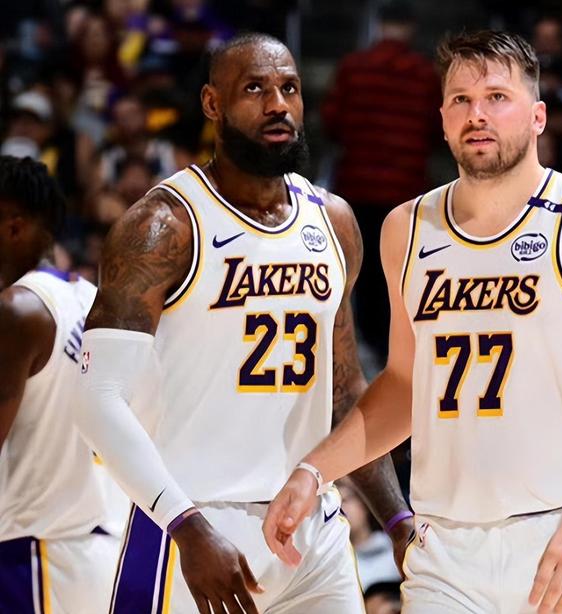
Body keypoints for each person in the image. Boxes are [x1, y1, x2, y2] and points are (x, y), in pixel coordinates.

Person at [264, 30, 562, 614]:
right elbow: (406, 385)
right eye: (461, 100)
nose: (478, 114)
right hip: (446, 549)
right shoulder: (406, 228)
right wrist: (313, 471)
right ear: (443, 121)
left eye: (497, 97)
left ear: (538, 116)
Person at [75, 33, 412, 614]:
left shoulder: (332, 221)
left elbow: (344, 393)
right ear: (212, 103)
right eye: (255, 88)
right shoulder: (164, 225)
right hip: (193, 524)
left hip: (312, 528)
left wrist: (397, 521)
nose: (278, 104)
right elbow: (97, 400)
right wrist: (184, 525)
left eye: (290, 88)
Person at [0, 155, 118, 613]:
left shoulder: (19, 308)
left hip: (29, 554)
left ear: (14, 227)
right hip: (90, 551)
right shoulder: (94, 302)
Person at [321, 0, 442, 365]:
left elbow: (332, 123)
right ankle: (396, 348)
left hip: (357, 185)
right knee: (400, 269)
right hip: (405, 189)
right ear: (410, 28)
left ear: (379, 25)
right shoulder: (424, 74)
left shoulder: (353, 68)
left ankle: (367, 344)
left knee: (362, 268)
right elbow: (436, 129)